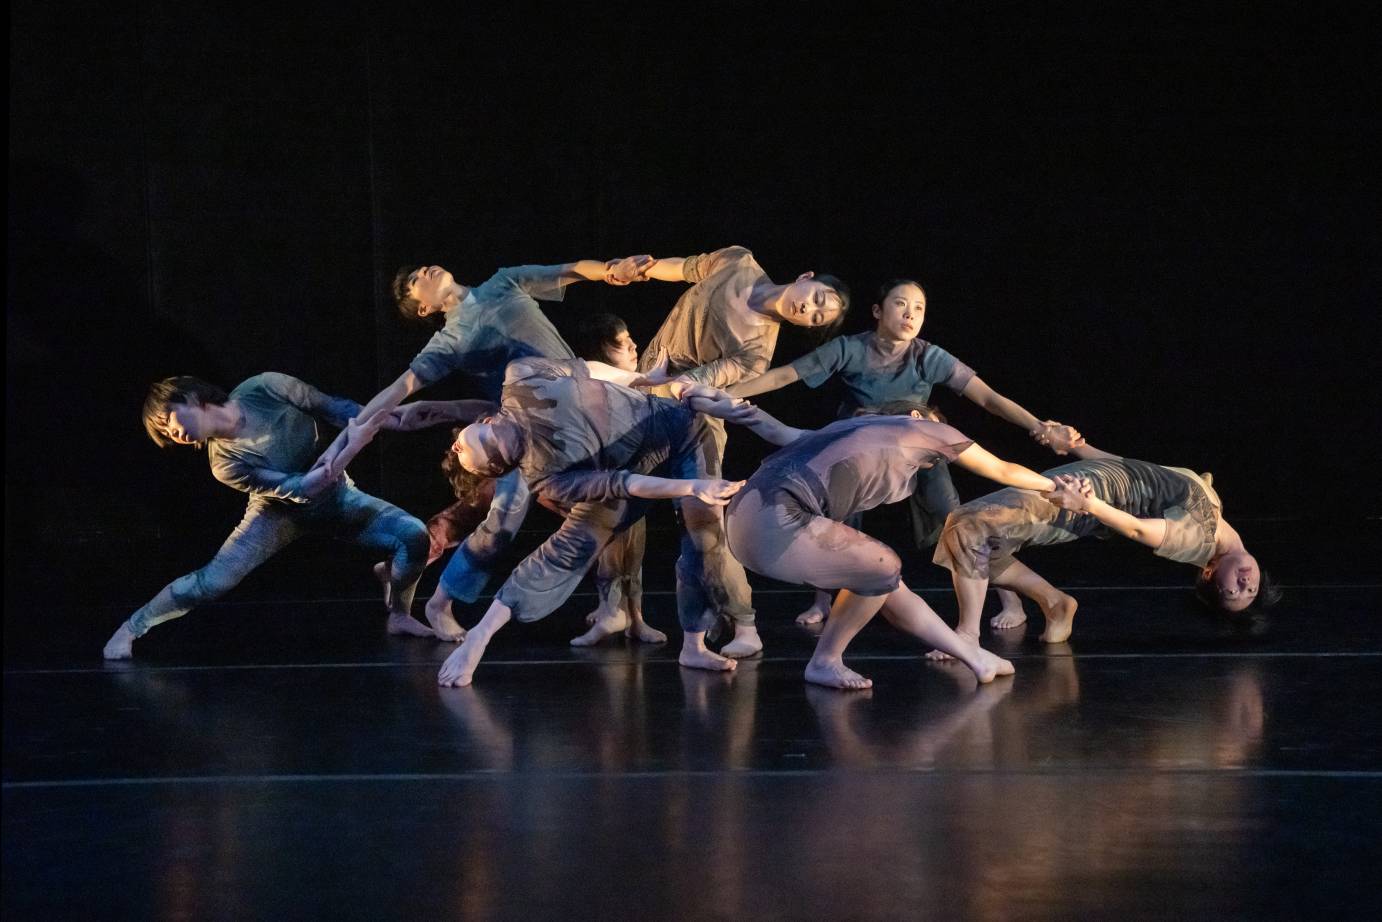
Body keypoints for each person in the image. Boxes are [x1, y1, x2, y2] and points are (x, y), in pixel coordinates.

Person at [310, 254, 653, 642]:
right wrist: (342, 447)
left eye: (421, 267)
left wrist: (610, 271)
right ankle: (440, 604)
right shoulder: (449, 341)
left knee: (618, 500)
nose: (423, 271)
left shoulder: (503, 283)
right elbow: (396, 391)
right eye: (414, 281)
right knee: (505, 516)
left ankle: (620, 609)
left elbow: (569, 271)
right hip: (522, 433)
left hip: (578, 411)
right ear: (424, 309)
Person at [728, 278, 1083, 627]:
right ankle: (823, 602)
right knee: (831, 521)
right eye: (900, 304)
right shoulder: (849, 348)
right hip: (858, 451)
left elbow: (989, 398)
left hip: (917, 446)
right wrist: (724, 393)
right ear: (877, 311)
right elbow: (783, 376)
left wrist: (1040, 426)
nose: (910, 314)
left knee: (957, 518)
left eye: (919, 308)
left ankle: (1010, 600)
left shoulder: (927, 356)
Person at [432, 357, 755, 687]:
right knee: (569, 546)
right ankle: (480, 635)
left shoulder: (520, 377)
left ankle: (694, 646)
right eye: (481, 463)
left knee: (703, 538)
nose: (458, 450)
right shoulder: (545, 478)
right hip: (626, 473)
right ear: (501, 468)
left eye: (461, 449)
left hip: (680, 432)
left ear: (486, 421)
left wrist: (642, 378)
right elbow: (622, 484)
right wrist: (691, 487)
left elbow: (586, 369)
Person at [716, 399, 1057, 690]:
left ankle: (974, 658)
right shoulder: (923, 428)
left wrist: (714, 399)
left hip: (741, 521)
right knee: (883, 566)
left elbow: (776, 431)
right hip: (775, 521)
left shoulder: (847, 430)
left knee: (884, 581)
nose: (940, 457)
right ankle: (825, 660)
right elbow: (1002, 469)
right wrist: (1056, 488)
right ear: (917, 416)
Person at [102, 373, 433, 660]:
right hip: (277, 514)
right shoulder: (223, 463)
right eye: (166, 435)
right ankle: (131, 628)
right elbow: (303, 488)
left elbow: (334, 408)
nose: (173, 435)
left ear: (189, 397)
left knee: (415, 536)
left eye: (168, 423)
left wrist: (390, 419)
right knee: (213, 581)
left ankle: (399, 615)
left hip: (338, 496)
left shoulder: (264, 388)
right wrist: (352, 446)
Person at [629, 245, 853, 657]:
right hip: (646, 387)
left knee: (702, 523)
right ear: (805, 278)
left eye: (817, 317)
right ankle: (616, 608)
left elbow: (697, 381)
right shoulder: (739, 261)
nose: (810, 309)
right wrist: (642, 269)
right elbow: (685, 268)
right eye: (817, 298)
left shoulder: (757, 353)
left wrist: (647, 385)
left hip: (692, 413)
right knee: (609, 502)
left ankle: (742, 623)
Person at [933, 441, 1280, 649]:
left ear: (1208, 573)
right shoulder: (1214, 506)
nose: (1245, 583)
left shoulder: (1197, 541)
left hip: (1084, 498)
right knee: (972, 530)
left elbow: (1137, 530)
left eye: (1235, 591)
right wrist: (1078, 446)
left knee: (968, 528)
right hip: (1087, 478)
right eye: (1251, 589)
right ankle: (1052, 602)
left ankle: (968, 635)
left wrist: (1087, 504)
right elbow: (1137, 469)